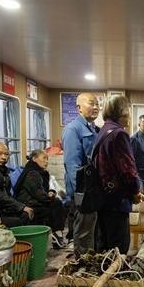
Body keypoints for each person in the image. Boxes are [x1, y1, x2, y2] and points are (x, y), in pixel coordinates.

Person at [94, 95, 142, 254]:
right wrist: (135, 191)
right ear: (122, 112)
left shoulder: (104, 131)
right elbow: (128, 170)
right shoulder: (119, 134)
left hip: (103, 198)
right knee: (118, 249)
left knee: (104, 246)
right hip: (117, 200)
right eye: (128, 110)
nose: (130, 114)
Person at [62, 92, 101, 256]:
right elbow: (72, 167)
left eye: (97, 104)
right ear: (79, 108)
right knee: (84, 234)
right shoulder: (73, 129)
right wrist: (81, 196)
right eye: (91, 103)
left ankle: (91, 264)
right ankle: (81, 266)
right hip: (83, 193)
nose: (96, 107)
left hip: (93, 191)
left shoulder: (94, 129)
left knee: (93, 232)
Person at [14, 150, 67, 248]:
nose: (46, 161)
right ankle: (57, 234)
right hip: (28, 204)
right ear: (34, 159)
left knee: (57, 203)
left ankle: (57, 234)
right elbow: (40, 195)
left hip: (34, 202)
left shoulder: (40, 172)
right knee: (56, 203)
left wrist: (51, 192)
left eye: (47, 159)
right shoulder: (32, 173)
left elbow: (42, 191)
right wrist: (51, 196)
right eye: (44, 158)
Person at [0, 142, 33, 227]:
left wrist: (20, 206)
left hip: (4, 207)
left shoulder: (3, 169)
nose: (3, 157)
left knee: (28, 213)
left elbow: (7, 193)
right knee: (19, 219)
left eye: (6, 154)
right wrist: (21, 207)